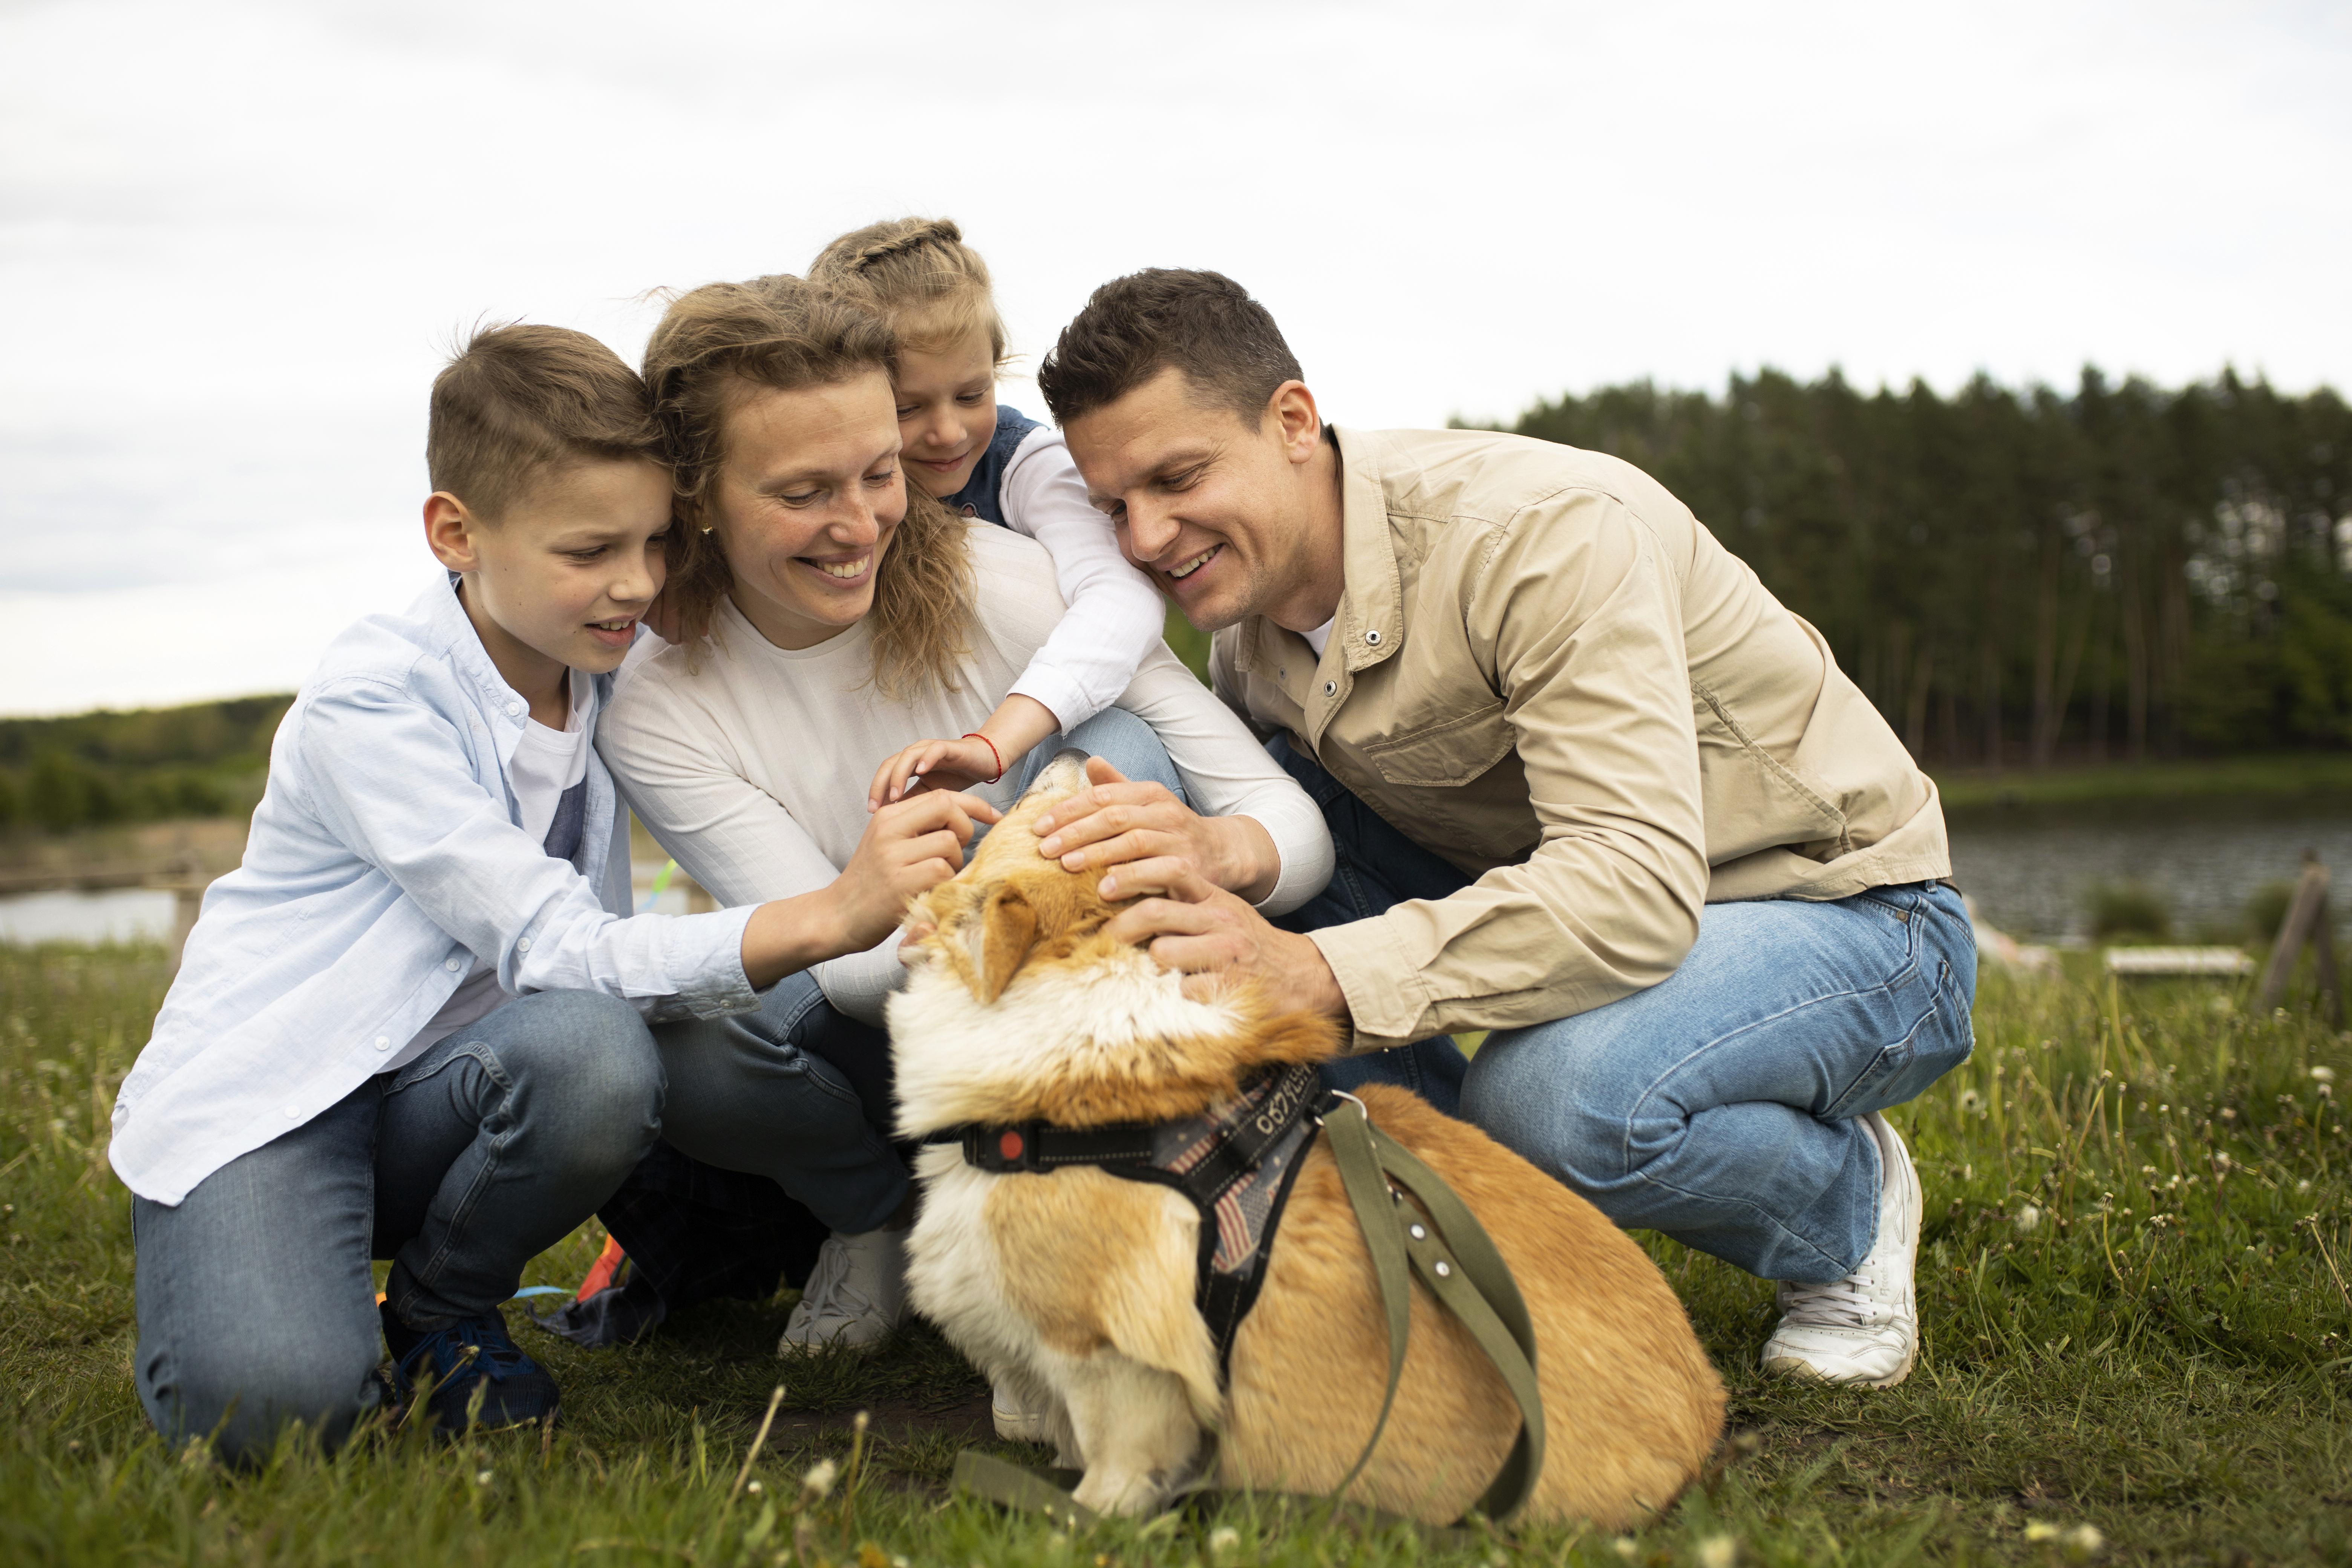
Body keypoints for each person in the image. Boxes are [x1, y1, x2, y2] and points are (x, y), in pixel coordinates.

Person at [1027, 269, 1976, 1390]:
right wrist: (1216, 863)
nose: (1145, 536)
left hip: (1850, 914)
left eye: (1176, 478)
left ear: (1291, 421)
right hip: (1590, 903)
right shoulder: (1249, 635)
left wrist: (1316, 970)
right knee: (1234, 869)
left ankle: (1842, 1210)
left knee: (1556, 1101)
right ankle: (1473, 1235)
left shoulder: (1544, 534)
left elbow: (1630, 884)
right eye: (1112, 506)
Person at [110, 325, 997, 1462]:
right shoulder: (372, 705)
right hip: (275, 1103)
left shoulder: (608, 671)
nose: (634, 583)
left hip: (463, 1089)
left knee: (599, 1055)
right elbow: (550, 942)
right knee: (275, 1420)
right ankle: (229, 1259)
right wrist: (831, 913)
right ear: (455, 533)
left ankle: (442, 1310)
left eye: (656, 542)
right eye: (590, 551)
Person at [597, 276, 1334, 1377]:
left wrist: (1216, 853)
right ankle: (879, 1213)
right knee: (677, 1053)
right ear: (698, 496)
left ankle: (1129, 1214)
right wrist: (885, 887)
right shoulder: (659, 703)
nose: (860, 527)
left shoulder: (1021, 587)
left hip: (1091, 996)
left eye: (880, 473)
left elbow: (1293, 825)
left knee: (1112, 762)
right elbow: (842, 981)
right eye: (804, 493)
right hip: (879, 1040)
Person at [801, 217, 1167, 809]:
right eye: (908, 407)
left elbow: (1122, 599)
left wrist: (994, 743)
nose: (949, 433)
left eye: (972, 395)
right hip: (916, 778)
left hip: (1048, 758)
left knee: (1110, 743)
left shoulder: (1023, 465)